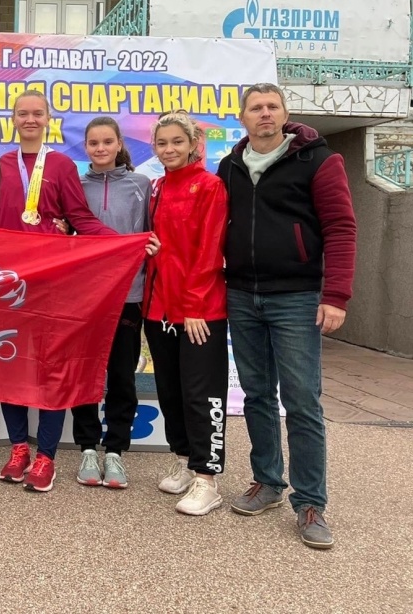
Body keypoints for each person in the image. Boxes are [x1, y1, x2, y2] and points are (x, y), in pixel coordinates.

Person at [219, 83, 356, 549]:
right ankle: (267, 481)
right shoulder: (230, 166)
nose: (264, 113)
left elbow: (341, 228)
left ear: (284, 114)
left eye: (272, 106)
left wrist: (335, 295)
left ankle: (311, 502)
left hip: (296, 297)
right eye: (256, 107)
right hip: (241, 294)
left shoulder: (318, 160)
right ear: (242, 118)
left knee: (301, 401)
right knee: (257, 395)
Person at [0, 90, 125, 493]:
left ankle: (46, 456)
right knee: (10, 364)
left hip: (52, 282)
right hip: (8, 282)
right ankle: (19, 448)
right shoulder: (0, 164)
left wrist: (124, 242)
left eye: (38, 113)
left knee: (52, 366)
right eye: (23, 113)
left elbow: (80, 218)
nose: (30, 119)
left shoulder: (62, 165)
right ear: (13, 118)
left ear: (48, 119)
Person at [143, 110, 229, 516]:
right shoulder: (158, 186)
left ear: (194, 144)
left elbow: (210, 250)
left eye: (177, 141)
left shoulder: (210, 186)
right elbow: (163, 245)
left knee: (201, 394)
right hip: (159, 308)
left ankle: (207, 479)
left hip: (199, 311)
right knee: (170, 391)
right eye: (162, 143)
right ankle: (184, 461)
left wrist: (195, 305)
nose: (169, 149)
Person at [71, 116, 150, 490]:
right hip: (85, 296)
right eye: (93, 143)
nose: (100, 148)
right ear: (85, 147)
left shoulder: (141, 185)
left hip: (128, 294)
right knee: (85, 373)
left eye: (107, 142)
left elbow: (151, 234)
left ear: (119, 144)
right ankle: (88, 447)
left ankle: (115, 451)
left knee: (121, 375)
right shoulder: (76, 185)